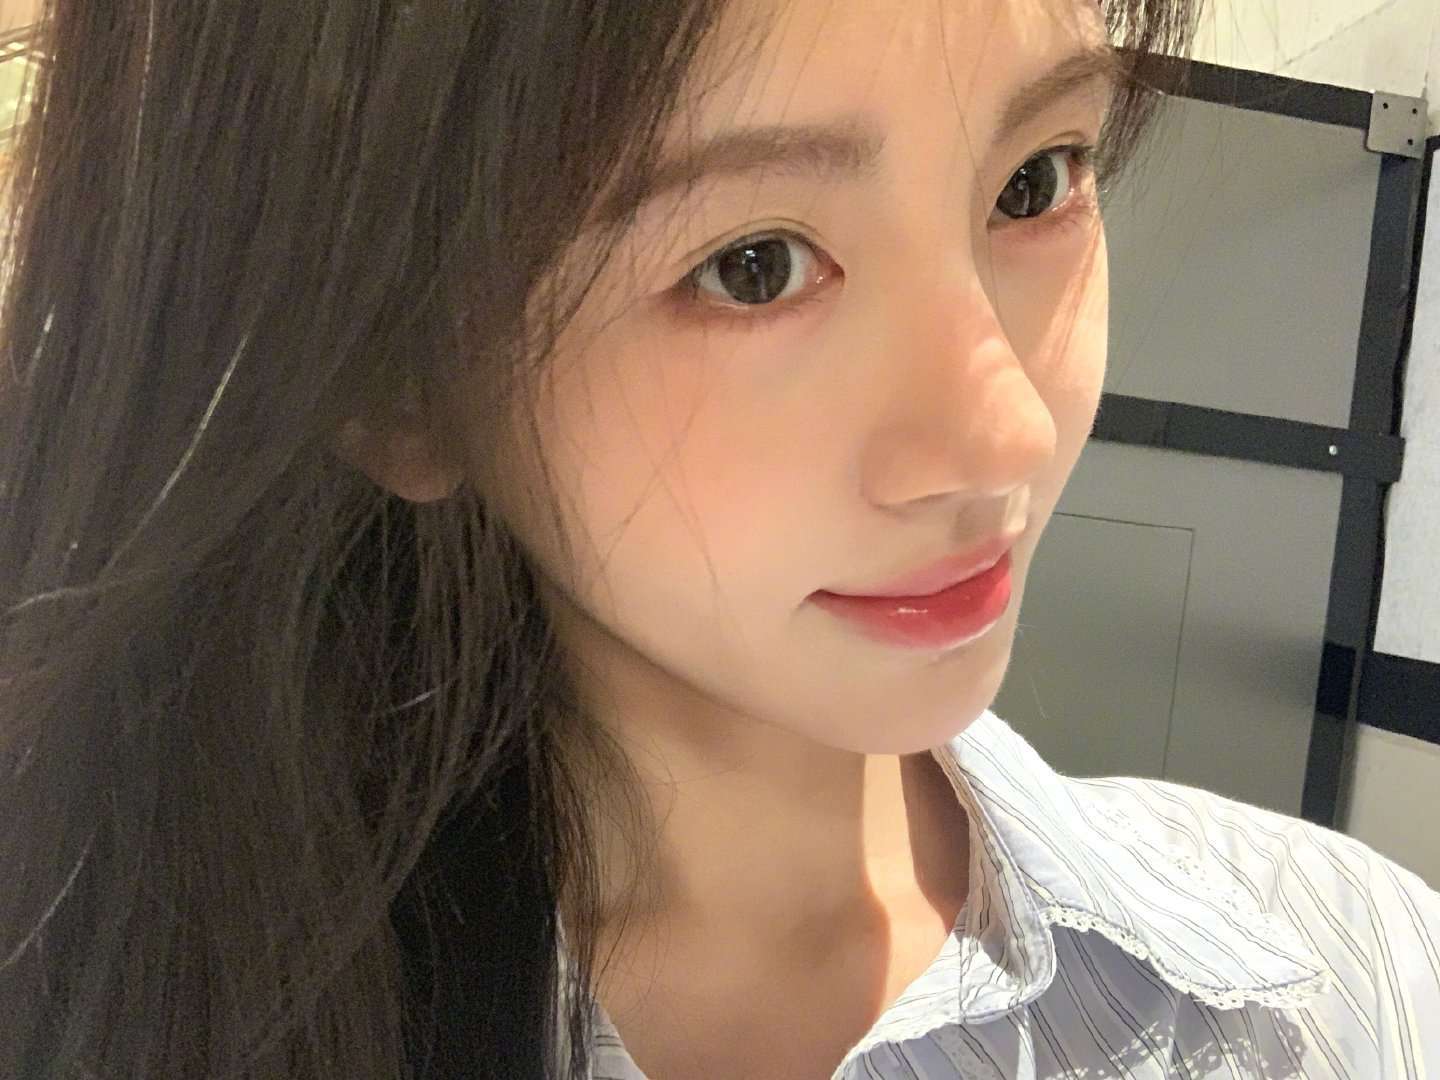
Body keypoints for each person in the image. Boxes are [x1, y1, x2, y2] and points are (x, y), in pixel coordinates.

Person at [0, 0, 1436, 1077]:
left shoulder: (1345, 983)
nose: (1003, 435)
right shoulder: (130, 1004)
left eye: (1036, 180)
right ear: (401, 384)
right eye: (754, 266)